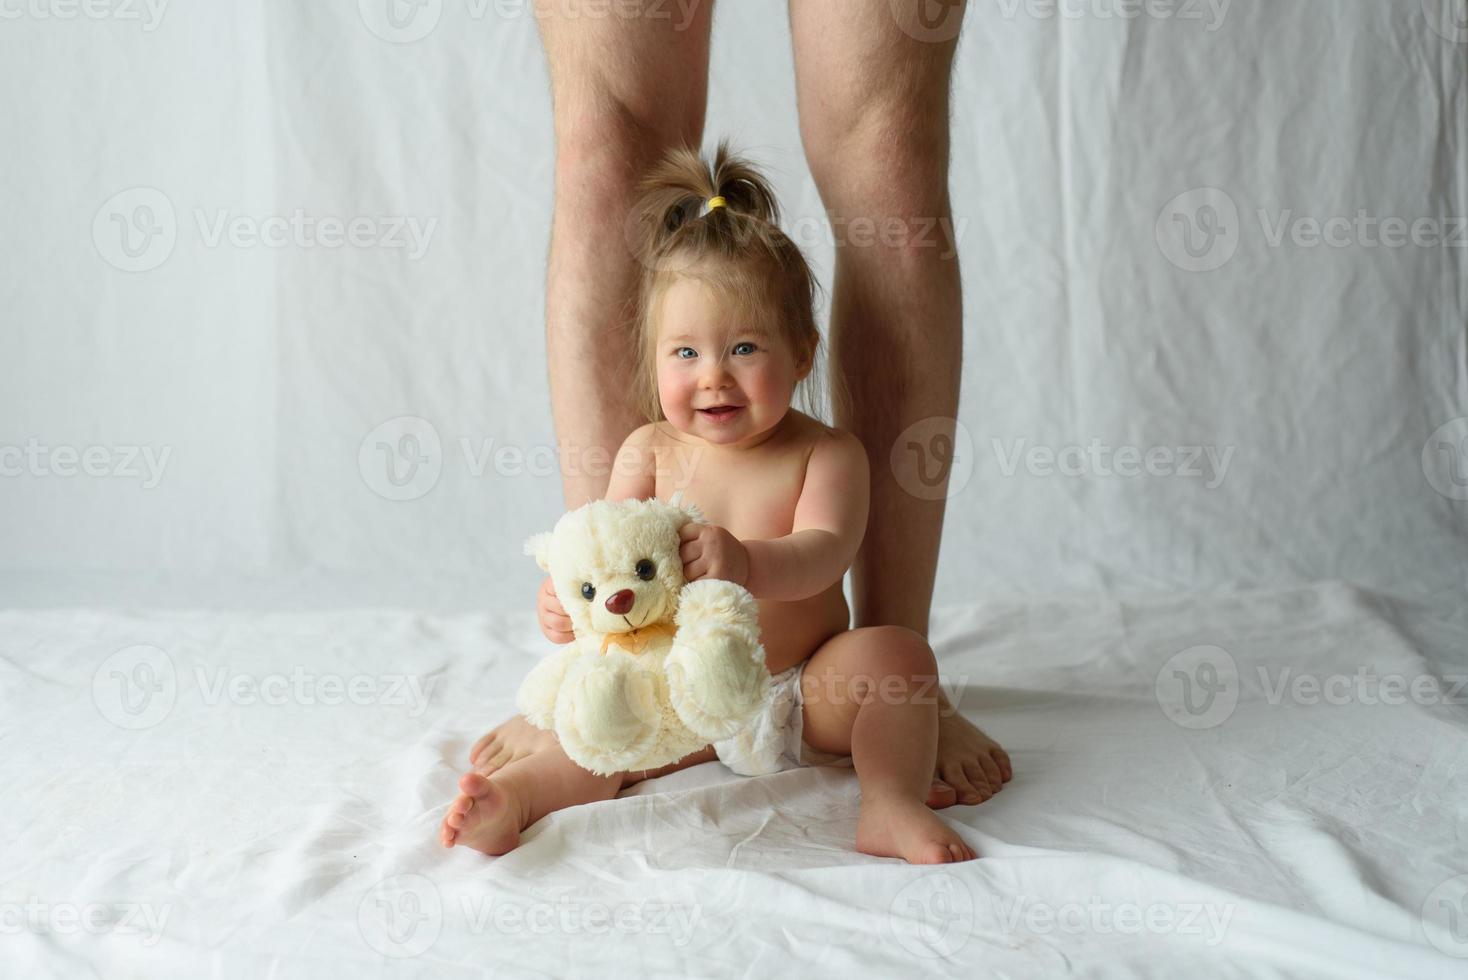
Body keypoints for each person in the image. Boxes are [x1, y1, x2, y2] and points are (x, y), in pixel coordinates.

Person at [469, 0, 1010, 813]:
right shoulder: (650, 449)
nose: (713, 378)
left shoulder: (824, 455)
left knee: (888, 149)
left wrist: (751, 564)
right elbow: (609, 546)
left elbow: (822, 548)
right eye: (684, 354)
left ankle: (893, 775)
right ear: (654, 363)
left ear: (803, 354)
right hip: (678, 680)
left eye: (744, 350)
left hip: (806, 686)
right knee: (607, 148)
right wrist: (575, 598)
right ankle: (582, 706)